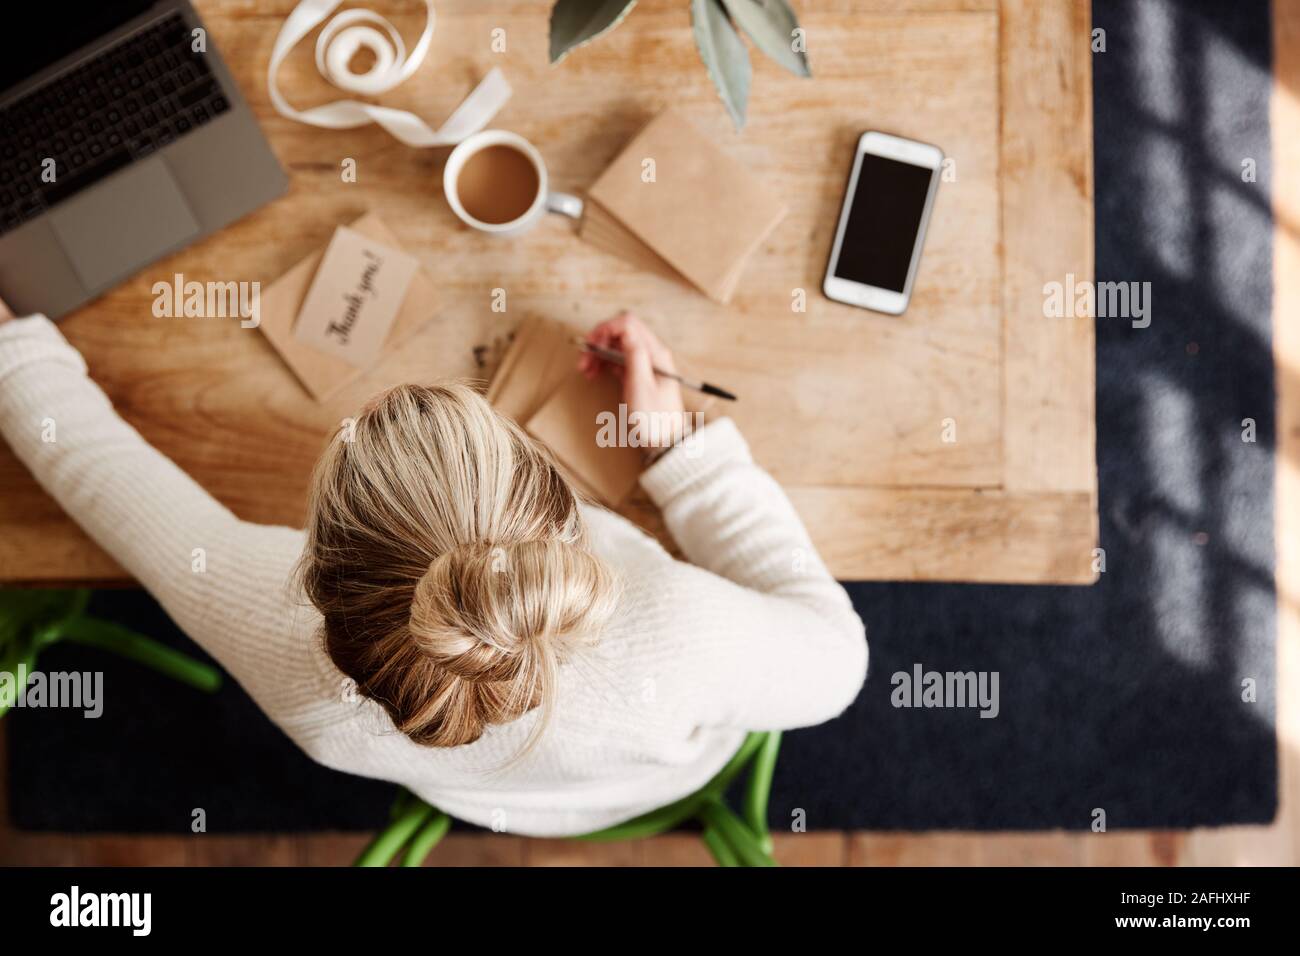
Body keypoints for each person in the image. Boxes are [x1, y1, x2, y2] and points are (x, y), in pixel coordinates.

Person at [0, 301, 866, 836]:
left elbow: (95, 467)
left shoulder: (270, 628)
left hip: (478, 799)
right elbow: (840, 661)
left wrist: (13, 353)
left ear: (311, 565)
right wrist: (681, 450)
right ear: (562, 516)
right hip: (654, 774)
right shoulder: (682, 629)